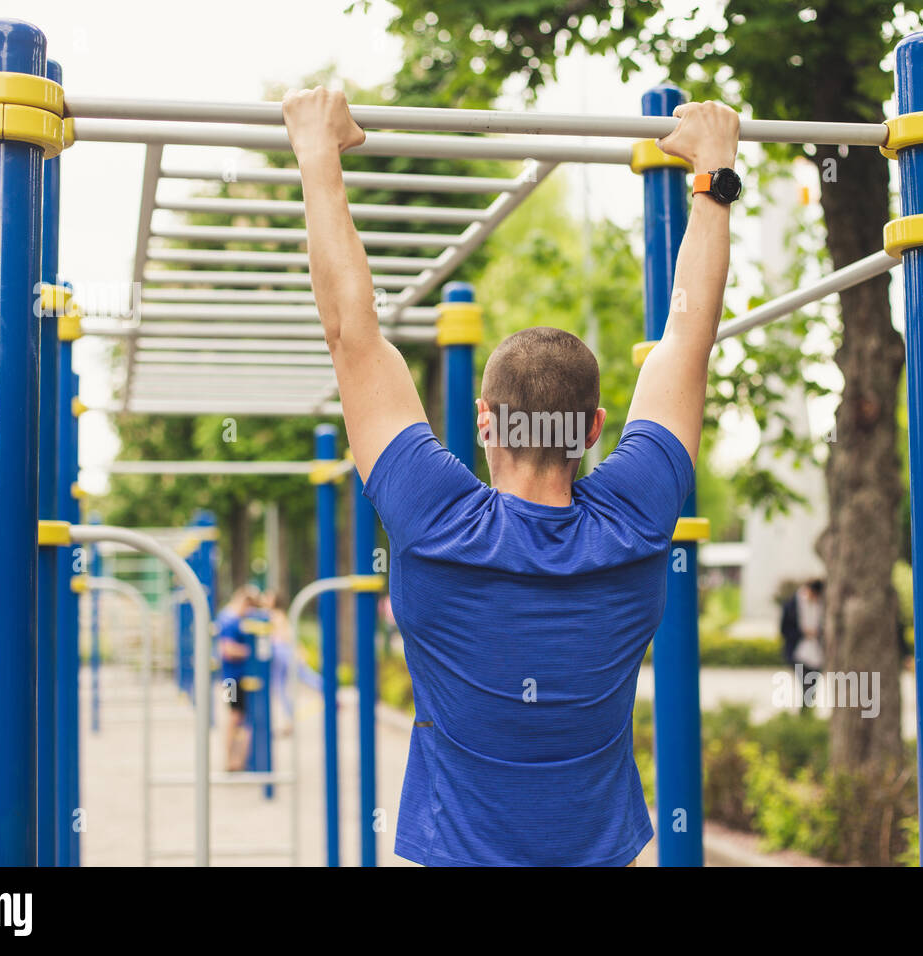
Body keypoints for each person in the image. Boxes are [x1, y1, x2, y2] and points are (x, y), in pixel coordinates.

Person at [283, 87, 740, 866]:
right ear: (594, 429)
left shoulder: (436, 522)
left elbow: (350, 333)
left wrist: (318, 155)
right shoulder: (634, 522)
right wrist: (715, 177)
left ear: (485, 422)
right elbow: (687, 339)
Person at [216, 585, 258, 771]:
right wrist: (252, 652)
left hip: (229, 679)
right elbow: (227, 649)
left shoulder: (226, 617)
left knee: (233, 716)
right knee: (235, 717)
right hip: (233, 679)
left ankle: (233, 759)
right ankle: (233, 760)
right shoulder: (231, 621)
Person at [780, 579, 825, 712]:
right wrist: (803, 633)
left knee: (812, 685)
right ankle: (805, 713)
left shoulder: (823, 605)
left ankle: (806, 712)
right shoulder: (791, 605)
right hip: (798, 652)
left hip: (817, 653)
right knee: (806, 685)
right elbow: (784, 630)